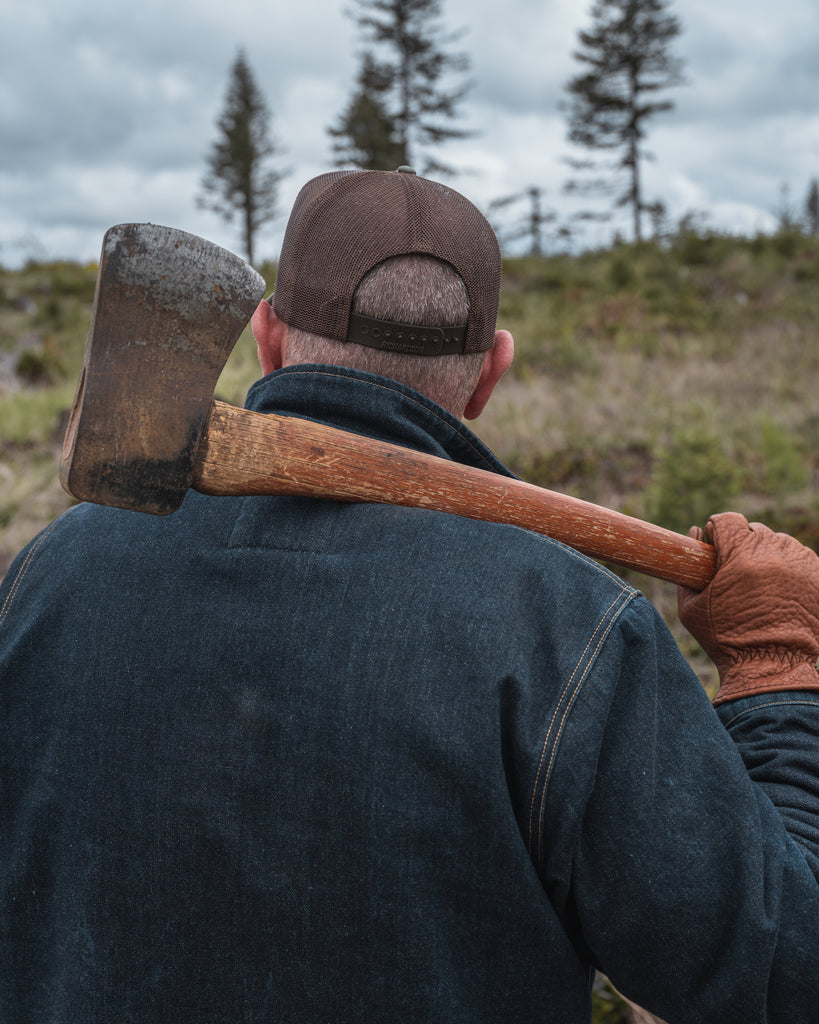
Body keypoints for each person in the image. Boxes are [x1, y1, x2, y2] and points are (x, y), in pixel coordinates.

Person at [1, 167, 818, 1024]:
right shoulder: (567, 633)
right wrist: (774, 668)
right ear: (487, 375)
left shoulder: (47, 576)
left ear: (268, 337)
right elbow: (783, 977)